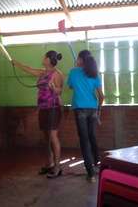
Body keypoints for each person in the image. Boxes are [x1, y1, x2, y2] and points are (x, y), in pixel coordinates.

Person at [12, 50, 64, 178]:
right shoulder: (42, 72)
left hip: (53, 108)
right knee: (46, 138)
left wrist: (53, 88)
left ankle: (57, 168)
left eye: (44, 56)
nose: (42, 58)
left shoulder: (57, 74)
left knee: (53, 137)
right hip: (43, 108)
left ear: (48, 59)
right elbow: (29, 69)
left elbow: (60, 91)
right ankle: (49, 164)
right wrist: (16, 63)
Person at [67, 50, 104, 182]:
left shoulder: (73, 72)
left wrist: (76, 70)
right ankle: (97, 164)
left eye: (77, 58)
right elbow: (101, 96)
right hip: (93, 109)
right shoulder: (94, 74)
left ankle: (91, 174)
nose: (76, 60)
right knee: (92, 136)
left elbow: (70, 86)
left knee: (84, 140)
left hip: (80, 109)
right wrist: (98, 112)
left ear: (81, 60)